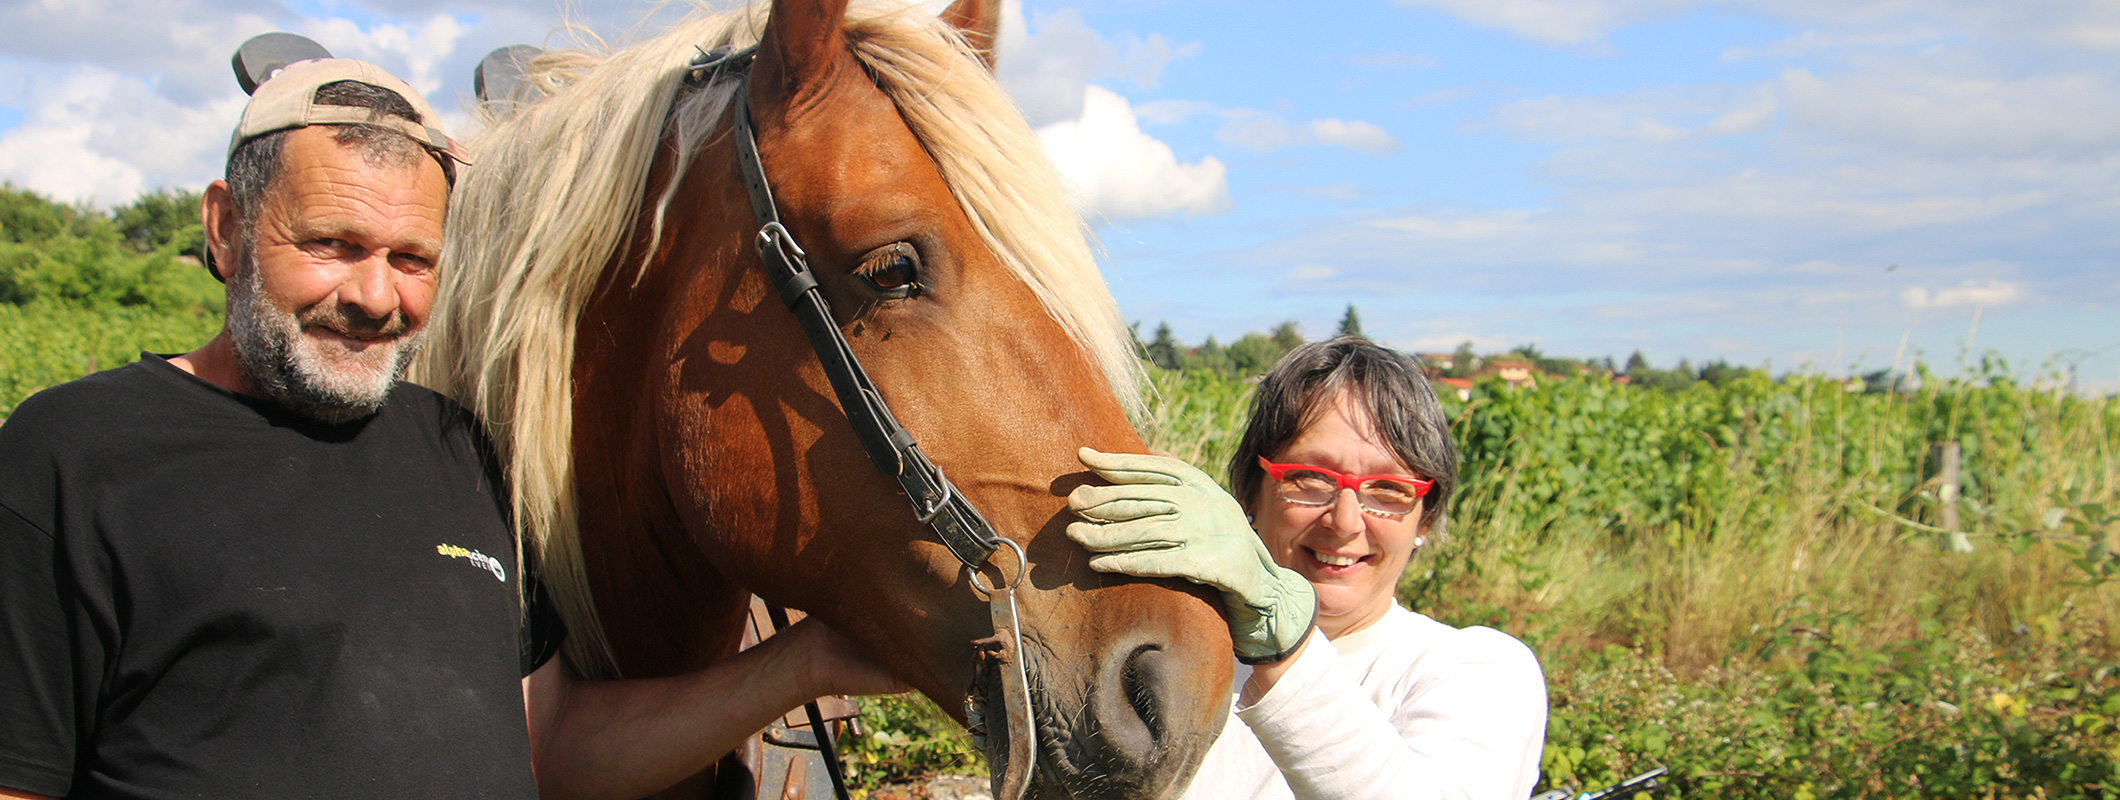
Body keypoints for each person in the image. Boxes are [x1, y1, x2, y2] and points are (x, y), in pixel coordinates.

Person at [0, 56, 899, 800]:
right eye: (332, 245)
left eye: (412, 258)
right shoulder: (75, 455)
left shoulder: (454, 449)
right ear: (227, 228)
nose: (375, 296)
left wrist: (803, 662)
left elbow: (547, 747)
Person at [1068, 337, 1547, 799]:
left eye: (1388, 489)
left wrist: (1285, 647)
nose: (1344, 521)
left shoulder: (1477, 669)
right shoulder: (1168, 656)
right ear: (1249, 493)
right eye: (1310, 478)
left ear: (1427, 515)